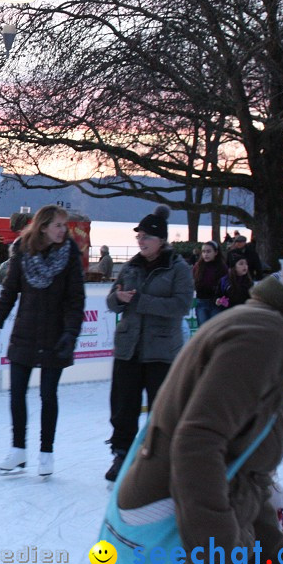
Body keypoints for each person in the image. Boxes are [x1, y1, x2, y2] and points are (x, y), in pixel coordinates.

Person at [112, 242, 283, 564]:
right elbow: (197, 445)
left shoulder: (271, 332)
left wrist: (280, 563)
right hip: (176, 535)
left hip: (202, 528)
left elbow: (245, 472)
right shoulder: (262, 337)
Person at [0, 204, 85, 477]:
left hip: (56, 334)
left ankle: (46, 452)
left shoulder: (70, 257)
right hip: (25, 333)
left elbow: (77, 300)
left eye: (65, 226)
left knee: (47, 395)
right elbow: (9, 293)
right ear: (43, 227)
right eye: (58, 226)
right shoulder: (22, 252)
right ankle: (18, 450)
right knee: (17, 393)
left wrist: (70, 334)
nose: (63, 231)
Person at [104, 204, 193, 482]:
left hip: (161, 351)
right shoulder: (131, 267)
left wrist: (141, 301)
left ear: (161, 240)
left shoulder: (178, 268)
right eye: (138, 237)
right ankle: (122, 454)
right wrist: (119, 299)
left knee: (161, 409)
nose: (141, 241)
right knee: (123, 406)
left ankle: (159, 460)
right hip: (129, 348)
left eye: (146, 237)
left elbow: (181, 305)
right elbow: (110, 299)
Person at [192, 241, 227, 327]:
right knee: (203, 330)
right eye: (203, 252)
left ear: (216, 252)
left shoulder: (222, 267)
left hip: (216, 303)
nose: (206, 254)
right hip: (201, 302)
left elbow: (226, 286)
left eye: (208, 251)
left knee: (215, 330)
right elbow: (192, 282)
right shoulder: (198, 266)